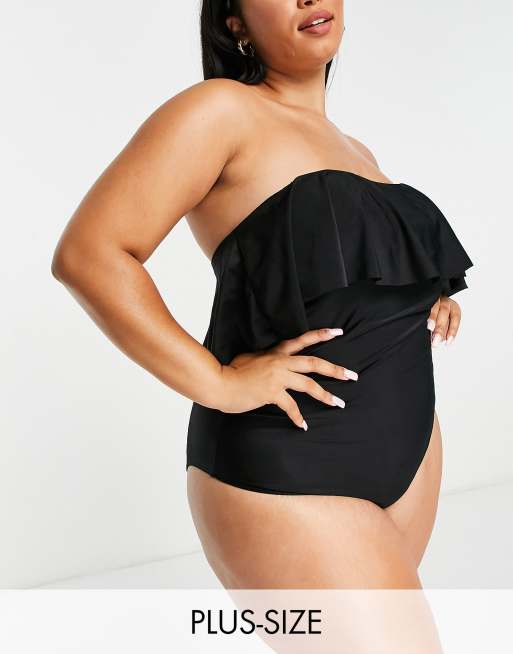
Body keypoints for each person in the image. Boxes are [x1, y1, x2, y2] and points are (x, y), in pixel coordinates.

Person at [51, 0, 473, 591]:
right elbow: (88, 255)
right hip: (290, 467)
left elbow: (339, 276)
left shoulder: (358, 151)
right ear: (236, 24)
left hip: (409, 463)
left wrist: (427, 298)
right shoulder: (220, 110)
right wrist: (219, 382)